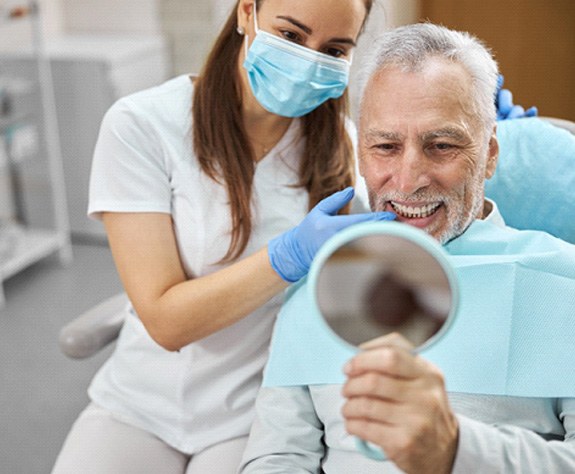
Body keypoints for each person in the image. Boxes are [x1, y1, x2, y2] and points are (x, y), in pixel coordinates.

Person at [51, 1, 399, 472]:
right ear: (246, 13)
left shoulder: (344, 149)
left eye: (334, 49)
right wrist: (287, 256)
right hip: (138, 404)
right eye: (292, 36)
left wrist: (485, 137)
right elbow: (166, 322)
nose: (309, 61)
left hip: (255, 414)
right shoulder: (143, 125)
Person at [239, 23, 575, 473]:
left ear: (490, 153)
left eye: (441, 145)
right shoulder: (319, 285)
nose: (409, 179)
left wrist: (455, 450)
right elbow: (276, 456)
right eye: (385, 146)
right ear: (361, 153)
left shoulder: (563, 284)